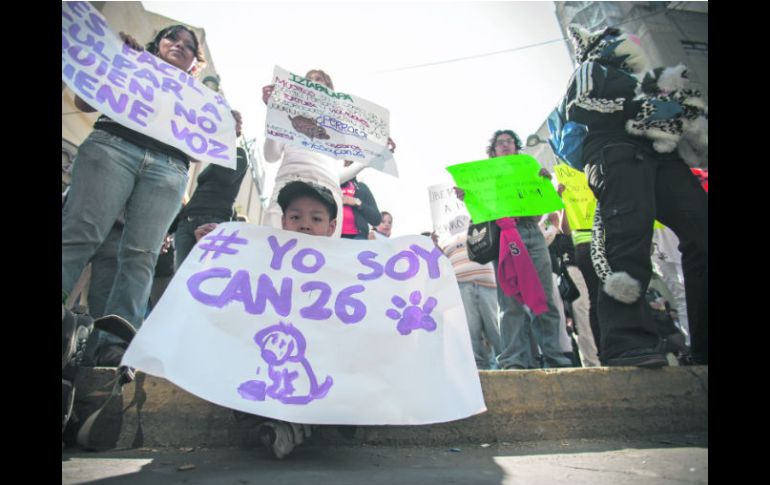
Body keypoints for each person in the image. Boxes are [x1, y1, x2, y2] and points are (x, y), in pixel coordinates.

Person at [559, 25, 708, 366]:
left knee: (702, 232)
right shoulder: (590, 69)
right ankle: (626, 342)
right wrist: (646, 106)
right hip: (616, 151)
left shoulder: (653, 82)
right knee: (627, 239)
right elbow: (581, 103)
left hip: (663, 157)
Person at [62, 26, 209, 363]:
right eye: (173, 38)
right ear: (157, 44)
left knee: (142, 255)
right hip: (112, 147)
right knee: (79, 232)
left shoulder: (197, 98)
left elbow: (200, 153)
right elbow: (84, 101)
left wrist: (227, 125)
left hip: (169, 168)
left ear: (194, 63)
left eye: (189, 46)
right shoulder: (127, 59)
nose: (180, 46)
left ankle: (114, 346)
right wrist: (117, 58)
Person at [194, 180, 338, 459]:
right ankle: (280, 427)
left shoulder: (346, 268)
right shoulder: (263, 258)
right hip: (272, 362)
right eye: (296, 217)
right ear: (283, 221)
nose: (305, 225)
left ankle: (290, 430)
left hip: (320, 365)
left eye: (316, 218)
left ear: (331, 227)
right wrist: (214, 247)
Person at [456, 130, 572, 370]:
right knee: (509, 301)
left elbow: (539, 213)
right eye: (500, 142)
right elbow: (481, 211)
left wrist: (544, 185)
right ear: (493, 151)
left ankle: (554, 357)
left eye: (510, 142)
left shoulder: (528, 171)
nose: (506, 145)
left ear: (517, 148)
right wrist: (467, 196)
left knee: (544, 297)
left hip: (531, 231)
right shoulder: (486, 179)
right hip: (503, 237)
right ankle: (513, 360)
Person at [261, 69, 396, 238]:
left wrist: (370, 157)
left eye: (318, 79)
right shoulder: (290, 116)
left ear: (329, 90)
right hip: (290, 184)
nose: (313, 82)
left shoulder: (339, 131)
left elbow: (336, 176)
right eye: (308, 80)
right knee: (275, 247)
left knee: (320, 258)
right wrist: (274, 116)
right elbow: (270, 156)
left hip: (329, 194)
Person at [173, 110, 248, 269]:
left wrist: (225, 147)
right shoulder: (214, 159)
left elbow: (226, 177)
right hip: (187, 222)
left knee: (202, 273)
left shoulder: (239, 154)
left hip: (213, 219)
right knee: (180, 274)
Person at [433, 230, 502, 369]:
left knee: (495, 328)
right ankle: (479, 369)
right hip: (462, 285)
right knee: (472, 330)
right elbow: (442, 262)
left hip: (487, 283)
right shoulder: (444, 241)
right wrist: (435, 247)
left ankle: (506, 361)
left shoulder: (480, 227)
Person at [340, 160, 382, 240]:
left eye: (351, 162)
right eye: (346, 161)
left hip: (358, 238)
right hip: (333, 236)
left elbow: (376, 219)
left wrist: (356, 202)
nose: (348, 164)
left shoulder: (362, 187)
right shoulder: (331, 183)